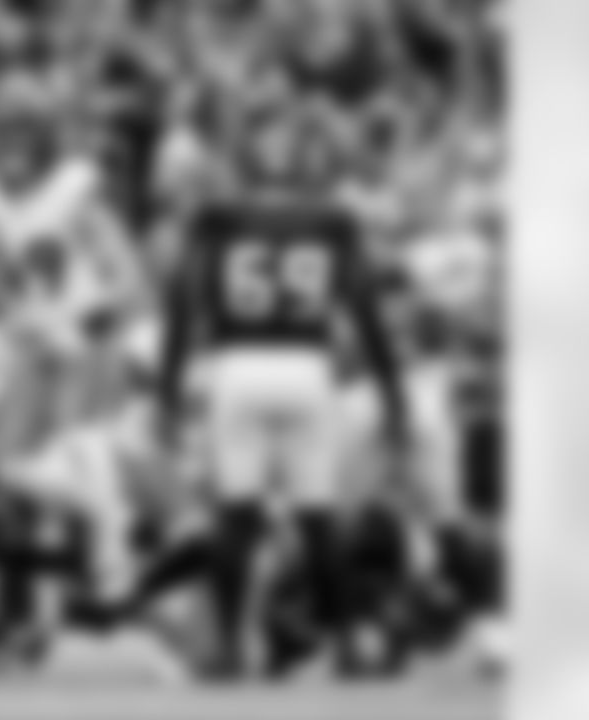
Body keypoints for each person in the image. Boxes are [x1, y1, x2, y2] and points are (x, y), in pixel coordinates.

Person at [152, 107, 410, 678]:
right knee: (318, 515)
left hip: (237, 363)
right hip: (307, 365)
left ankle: (226, 650)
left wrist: (166, 392)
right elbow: (366, 312)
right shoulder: (333, 217)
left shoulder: (217, 215)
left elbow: (182, 302)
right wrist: (395, 396)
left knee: (234, 515)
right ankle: (345, 645)